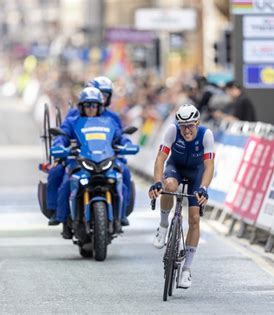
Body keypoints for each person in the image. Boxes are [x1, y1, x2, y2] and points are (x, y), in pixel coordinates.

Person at [47, 76, 133, 227]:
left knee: (124, 173)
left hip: (107, 159)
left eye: (95, 104)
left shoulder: (111, 118)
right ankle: (59, 214)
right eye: (88, 105)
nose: (92, 108)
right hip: (80, 159)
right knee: (63, 178)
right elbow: (63, 134)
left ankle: (122, 213)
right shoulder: (74, 118)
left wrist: (127, 144)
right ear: (81, 105)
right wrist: (59, 146)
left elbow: (120, 136)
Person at [149, 104, 215, 289]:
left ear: (197, 123)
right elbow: (161, 158)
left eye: (190, 126)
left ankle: (186, 269)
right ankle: (163, 225)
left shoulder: (206, 134)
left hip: (196, 172)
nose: (186, 130)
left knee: (194, 219)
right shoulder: (172, 131)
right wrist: (157, 182)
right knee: (169, 185)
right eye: (183, 126)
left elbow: (209, 165)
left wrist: (203, 188)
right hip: (175, 168)